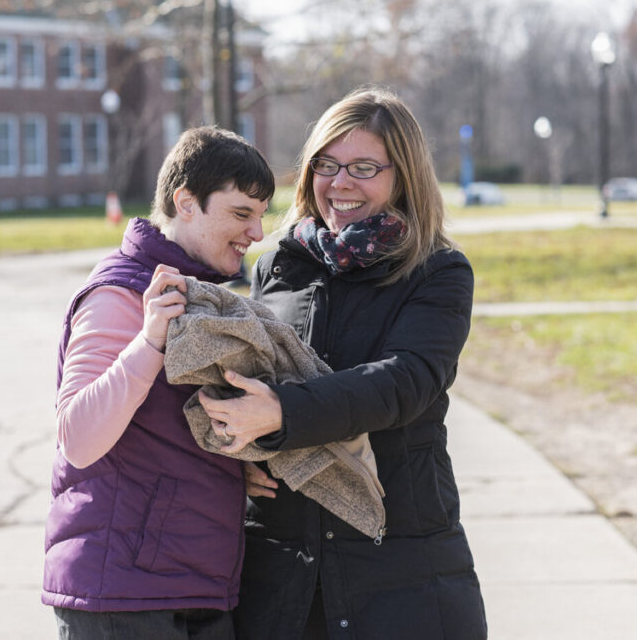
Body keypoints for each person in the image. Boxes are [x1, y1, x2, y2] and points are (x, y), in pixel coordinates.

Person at [199, 87, 488, 639]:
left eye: (363, 167)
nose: (340, 183)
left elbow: (406, 381)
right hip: (284, 572)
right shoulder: (277, 265)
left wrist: (281, 414)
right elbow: (242, 378)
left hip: (400, 561)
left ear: (402, 175)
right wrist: (239, 456)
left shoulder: (438, 271)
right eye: (326, 165)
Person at [42, 126, 274, 639]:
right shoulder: (120, 295)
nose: (256, 233)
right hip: (122, 596)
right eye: (241, 214)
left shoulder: (206, 302)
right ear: (185, 202)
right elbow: (78, 438)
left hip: (199, 587)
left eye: (261, 216)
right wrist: (148, 344)